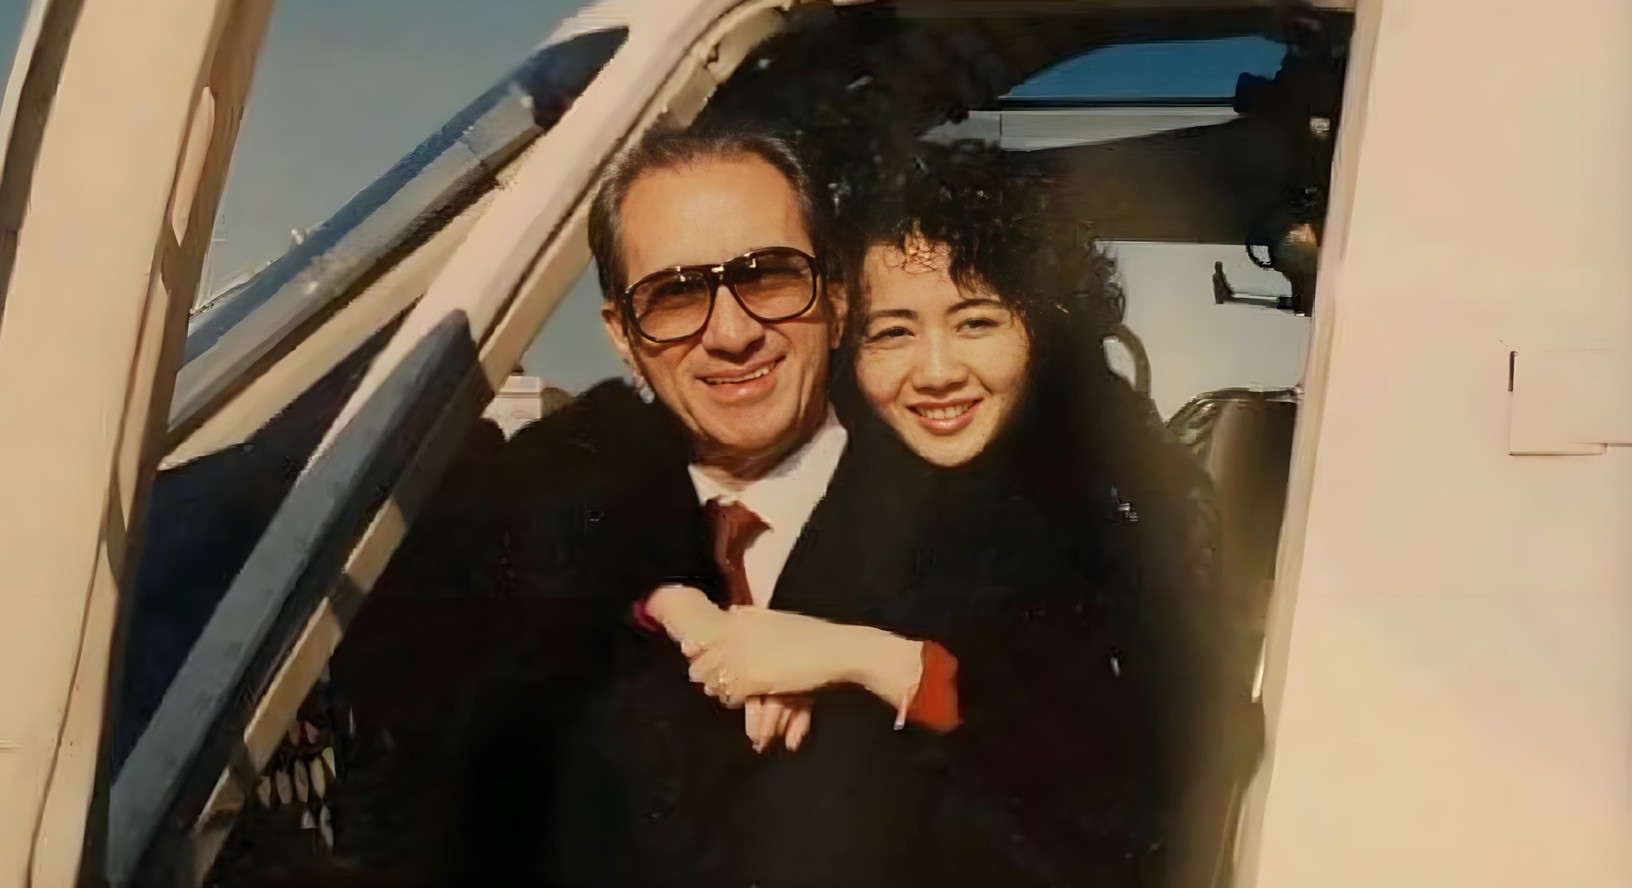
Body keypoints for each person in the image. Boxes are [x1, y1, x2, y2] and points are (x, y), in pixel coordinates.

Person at [660, 140, 1243, 887]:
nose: (935, 373)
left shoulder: (1114, 504)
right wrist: (695, 616)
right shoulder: (849, 484)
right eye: (892, 333)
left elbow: (1126, 771)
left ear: (1044, 327)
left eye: (976, 323)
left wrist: (872, 661)